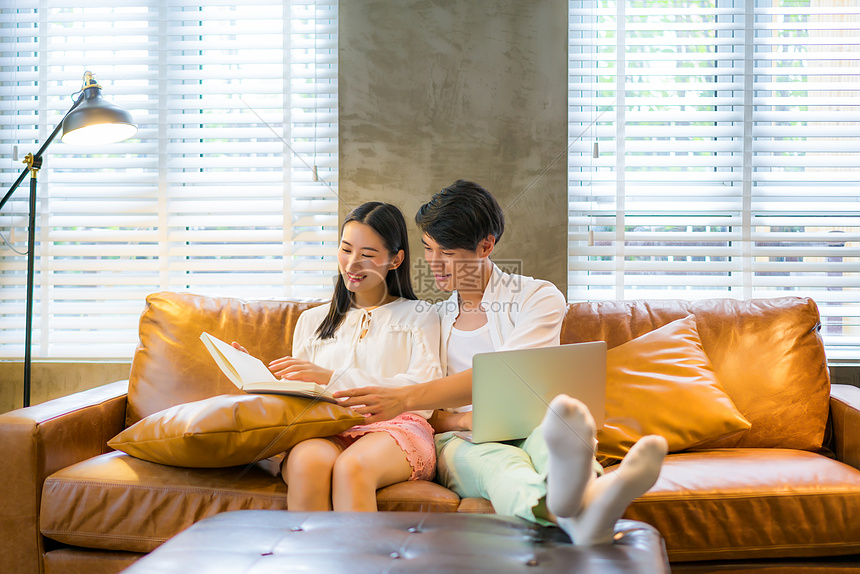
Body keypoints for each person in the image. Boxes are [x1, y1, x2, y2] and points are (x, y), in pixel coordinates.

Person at [335, 180, 668, 544]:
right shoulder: (434, 317)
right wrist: (462, 418)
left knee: (553, 441)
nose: (434, 264)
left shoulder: (537, 297)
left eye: (447, 253)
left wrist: (408, 397)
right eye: (429, 249)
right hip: (461, 440)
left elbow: (506, 371)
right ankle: (586, 506)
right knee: (501, 467)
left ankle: (584, 498)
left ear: (486, 245)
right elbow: (434, 415)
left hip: (534, 425)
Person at [235, 201, 442, 512]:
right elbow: (302, 395)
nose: (352, 264)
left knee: (353, 467)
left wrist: (330, 377)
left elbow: (423, 391)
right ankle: (309, 561)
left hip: (396, 428)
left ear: (396, 259)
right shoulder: (311, 320)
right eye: (346, 250)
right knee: (307, 463)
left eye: (367, 255)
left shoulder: (420, 315)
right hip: (325, 426)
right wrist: (258, 376)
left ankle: (360, 562)